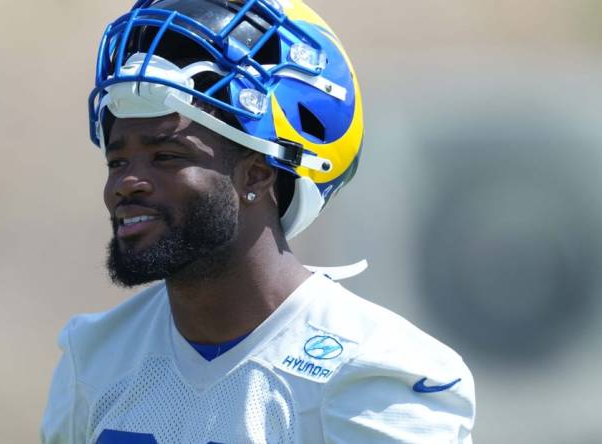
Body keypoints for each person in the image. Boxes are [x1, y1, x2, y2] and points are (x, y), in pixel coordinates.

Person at [41, 0, 476, 442]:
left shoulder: (377, 373)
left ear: (257, 174)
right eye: (117, 161)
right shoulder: (94, 357)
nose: (127, 183)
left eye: (166, 157)